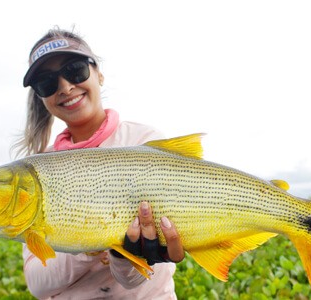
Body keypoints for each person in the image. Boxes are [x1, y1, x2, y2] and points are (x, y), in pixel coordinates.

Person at [14, 28, 185, 299]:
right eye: (47, 82)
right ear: (41, 97)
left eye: (75, 69)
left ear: (99, 73)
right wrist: (89, 245)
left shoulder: (145, 142)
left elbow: (135, 281)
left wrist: (122, 254)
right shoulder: (37, 170)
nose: (66, 87)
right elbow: (38, 283)